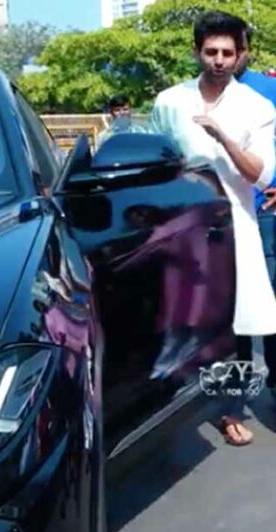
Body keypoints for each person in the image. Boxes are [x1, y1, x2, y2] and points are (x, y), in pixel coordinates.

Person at [151, 11, 276, 446]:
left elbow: (259, 175)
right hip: (183, 231)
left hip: (236, 229)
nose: (219, 60)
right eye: (211, 51)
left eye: (228, 52)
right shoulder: (169, 102)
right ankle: (207, 407)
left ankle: (240, 404)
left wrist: (223, 136)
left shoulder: (257, 108)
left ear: (241, 55)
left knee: (241, 322)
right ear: (197, 51)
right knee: (197, 322)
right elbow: (156, 163)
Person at [234, 23, 276, 399]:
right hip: (218, 220)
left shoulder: (269, 91)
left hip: (265, 215)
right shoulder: (188, 98)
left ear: (247, 50)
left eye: (236, 48)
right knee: (231, 309)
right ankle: (235, 397)